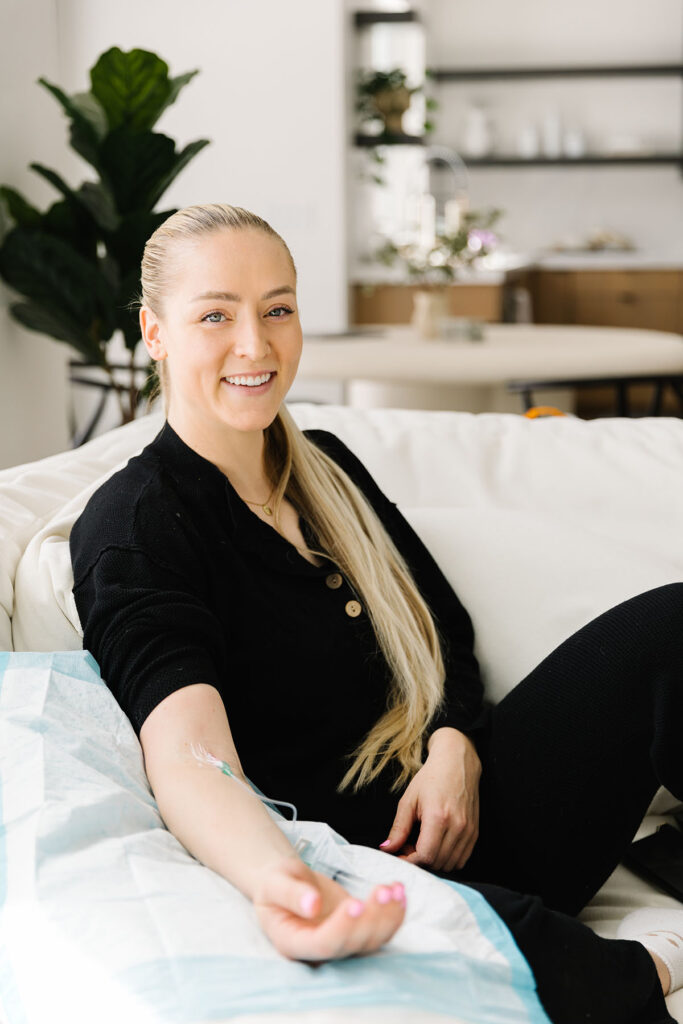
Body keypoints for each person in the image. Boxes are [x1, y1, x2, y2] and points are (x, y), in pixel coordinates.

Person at [70, 203, 683, 1024]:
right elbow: (188, 757)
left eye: (277, 309)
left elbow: (444, 633)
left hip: (482, 801)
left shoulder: (323, 465)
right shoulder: (137, 524)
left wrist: (453, 746)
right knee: (468, 957)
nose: (254, 345)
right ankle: (649, 965)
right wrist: (286, 884)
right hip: (376, 865)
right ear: (155, 332)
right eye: (215, 315)